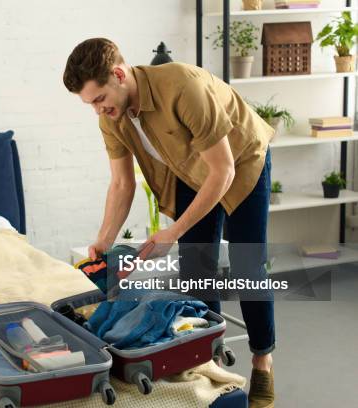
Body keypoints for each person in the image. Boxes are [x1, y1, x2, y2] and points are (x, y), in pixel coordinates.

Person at [63, 38, 275, 408]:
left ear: (118, 75)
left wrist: (173, 232)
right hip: (191, 172)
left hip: (241, 162)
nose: (97, 110)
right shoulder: (110, 117)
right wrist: (104, 241)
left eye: (99, 99)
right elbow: (122, 183)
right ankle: (210, 364)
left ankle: (262, 360)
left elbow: (223, 170)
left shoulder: (182, 86)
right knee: (197, 268)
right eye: (90, 104)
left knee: (247, 264)